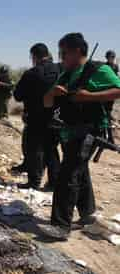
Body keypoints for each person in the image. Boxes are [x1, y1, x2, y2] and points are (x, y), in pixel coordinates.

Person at [42, 33, 120, 240]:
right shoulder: (66, 74)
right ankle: (87, 214)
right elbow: (47, 103)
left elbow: (118, 90)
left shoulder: (98, 69)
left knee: (67, 176)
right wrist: (52, 93)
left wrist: (89, 97)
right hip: (68, 131)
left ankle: (60, 226)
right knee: (79, 171)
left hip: (90, 131)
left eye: (64, 53)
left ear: (77, 51)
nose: (61, 57)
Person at [13, 43, 61, 190]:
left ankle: (34, 182)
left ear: (34, 56)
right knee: (51, 151)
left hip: (35, 119)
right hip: (57, 118)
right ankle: (54, 182)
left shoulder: (31, 73)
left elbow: (17, 96)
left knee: (34, 151)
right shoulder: (60, 69)